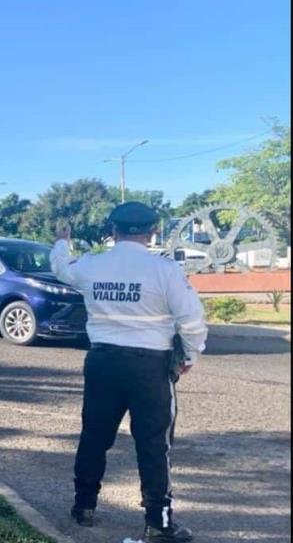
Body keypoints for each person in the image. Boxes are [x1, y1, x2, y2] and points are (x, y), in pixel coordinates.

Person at [50, 202, 207, 543]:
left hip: (103, 361)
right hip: (149, 366)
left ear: (113, 231)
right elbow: (191, 319)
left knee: (94, 436)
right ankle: (158, 523)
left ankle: (84, 507)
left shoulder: (92, 265)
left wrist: (63, 242)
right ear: (152, 232)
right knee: (154, 444)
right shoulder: (164, 269)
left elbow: (62, 268)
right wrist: (190, 355)